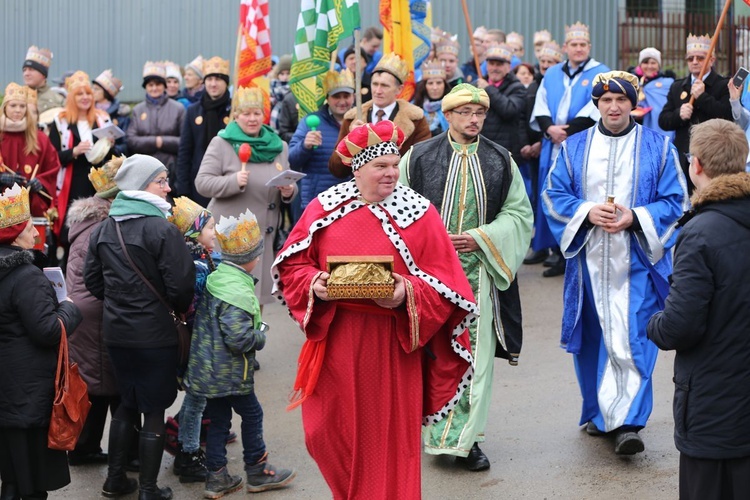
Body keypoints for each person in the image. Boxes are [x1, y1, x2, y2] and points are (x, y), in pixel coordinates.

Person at [273, 120, 476, 498]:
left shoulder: (420, 212)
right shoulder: (324, 207)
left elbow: (452, 289)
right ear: (358, 168)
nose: (391, 173)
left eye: (394, 164)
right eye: (380, 166)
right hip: (336, 339)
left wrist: (406, 292)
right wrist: (315, 283)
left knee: (386, 441)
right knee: (324, 434)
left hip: (392, 348)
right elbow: (292, 266)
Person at [542, 71, 688, 455]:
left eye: (621, 100)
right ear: (597, 105)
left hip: (637, 262)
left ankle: (628, 422)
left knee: (632, 338)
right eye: (606, 101)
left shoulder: (659, 147)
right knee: (593, 340)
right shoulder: (574, 148)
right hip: (587, 266)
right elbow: (553, 196)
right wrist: (588, 212)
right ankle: (599, 411)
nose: (614, 107)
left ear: (633, 103)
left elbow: (677, 202)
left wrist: (636, 217)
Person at [399, 84, 532, 471]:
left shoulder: (499, 159)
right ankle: (433, 432)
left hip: (481, 276)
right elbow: (398, 208)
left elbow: (519, 215)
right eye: (465, 113)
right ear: (448, 115)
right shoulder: (419, 157)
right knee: (435, 354)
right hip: (430, 277)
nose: (474, 120)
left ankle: (467, 440)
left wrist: (481, 238)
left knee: (475, 359)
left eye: (480, 113)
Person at [647, 119, 750, 499]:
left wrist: (653, 323)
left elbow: (680, 326)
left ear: (696, 165)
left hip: (714, 405)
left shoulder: (700, 233)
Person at [85, 154, 195, 499]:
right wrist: (166, 309)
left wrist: (121, 304)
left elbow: (93, 282)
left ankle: (115, 480)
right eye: (161, 180)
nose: (168, 187)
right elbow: (181, 287)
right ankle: (148, 489)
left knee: (127, 404)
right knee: (153, 410)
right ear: (141, 186)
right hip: (155, 336)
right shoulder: (162, 228)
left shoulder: (105, 228)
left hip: (117, 333)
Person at [186, 209, 297, 497]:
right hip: (229, 372)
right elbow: (238, 338)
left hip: (210, 368)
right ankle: (257, 470)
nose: (259, 259)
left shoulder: (221, 276)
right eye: (257, 255)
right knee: (252, 414)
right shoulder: (235, 290)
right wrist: (259, 336)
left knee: (220, 420)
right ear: (246, 259)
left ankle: (216, 476)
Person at [0, 183, 82, 500]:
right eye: (30, 227)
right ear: (17, 233)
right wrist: (69, 308)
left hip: (8, 387)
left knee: (11, 470)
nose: (36, 234)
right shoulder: (26, 276)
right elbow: (47, 330)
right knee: (33, 478)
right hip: (29, 389)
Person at [195, 86, 297, 307]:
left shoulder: (279, 146)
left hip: (263, 241)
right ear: (236, 115)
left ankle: (253, 342)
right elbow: (202, 183)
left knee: (254, 306)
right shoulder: (222, 143)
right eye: (246, 113)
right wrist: (233, 181)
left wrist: (289, 192)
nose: (252, 119)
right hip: (231, 241)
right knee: (229, 305)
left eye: (257, 113)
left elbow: (285, 181)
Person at [530, 22, 610, 277]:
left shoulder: (601, 73)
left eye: (582, 44)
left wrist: (567, 131)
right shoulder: (552, 73)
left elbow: (597, 108)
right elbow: (540, 104)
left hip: (581, 144)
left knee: (575, 194)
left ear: (589, 47)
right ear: (565, 47)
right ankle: (550, 248)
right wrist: (549, 128)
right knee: (550, 192)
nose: (578, 48)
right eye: (573, 44)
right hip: (551, 144)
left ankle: (571, 250)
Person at [65, 155, 125, 467]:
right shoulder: (105, 225)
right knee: (114, 387)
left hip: (82, 308)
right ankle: (125, 455)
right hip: (98, 307)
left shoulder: (87, 220)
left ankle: (84, 447)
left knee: (96, 384)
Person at [166, 196, 217, 484]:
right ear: (195, 233)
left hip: (201, 339)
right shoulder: (196, 265)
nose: (215, 232)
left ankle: (178, 433)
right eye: (210, 227)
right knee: (197, 400)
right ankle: (188, 454)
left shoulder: (199, 257)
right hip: (198, 341)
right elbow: (197, 307)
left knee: (199, 398)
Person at [48, 71, 117, 260]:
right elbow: (51, 157)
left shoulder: (102, 118)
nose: (85, 97)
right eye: (80, 94)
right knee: (73, 232)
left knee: (99, 231)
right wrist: (73, 152)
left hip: (98, 184)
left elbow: (113, 158)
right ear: (71, 97)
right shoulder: (61, 122)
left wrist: (110, 145)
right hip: (73, 184)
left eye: (88, 93)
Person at [329, 52, 431, 178]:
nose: (377, 91)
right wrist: (351, 140)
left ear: (399, 89)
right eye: (375, 84)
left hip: (400, 192)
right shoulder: (353, 118)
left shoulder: (416, 120)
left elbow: (424, 164)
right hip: (363, 193)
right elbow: (336, 170)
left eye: (384, 85)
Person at [658, 34, 733, 194]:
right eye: (690, 58)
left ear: (711, 60)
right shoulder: (678, 86)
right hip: (683, 155)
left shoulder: (723, 85)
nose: (694, 62)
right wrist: (679, 115)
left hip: (712, 154)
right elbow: (663, 121)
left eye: (700, 58)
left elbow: (728, 115)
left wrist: (702, 98)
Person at [520, 41, 564, 266]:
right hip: (537, 147)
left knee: (555, 196)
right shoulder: (535, 84)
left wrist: (539, 142)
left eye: (551, 62)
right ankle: (541, 244)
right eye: (543, 61)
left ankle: (557, 249)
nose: (545, 65)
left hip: (547, 144)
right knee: (539, 197)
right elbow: (529, 116)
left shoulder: (557, 84)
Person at [288, 70, 355, 211]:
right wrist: (304, 146)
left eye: (346, 96)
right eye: (336, 96)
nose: (342, 101)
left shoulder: (360, 121)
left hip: (350, 200)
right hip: (317, 201)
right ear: (327, 98)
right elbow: (291, 160)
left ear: (353, 97)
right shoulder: (309, 122)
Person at [175, 56, 232, 205]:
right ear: (204, 81)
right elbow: (185, 152)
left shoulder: (234, 111)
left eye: (218, 79)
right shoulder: (193, 111)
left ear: (226, 82)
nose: (213, 84)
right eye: (209, 79)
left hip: (229, 182)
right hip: (199, 184)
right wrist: (183, 188)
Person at [0, 82, 59, 217]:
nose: (18, 110)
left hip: (31, 206)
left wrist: (41, 182)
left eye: (22, 106)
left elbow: (52, 167)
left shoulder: (40, 138)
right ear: (5, 108)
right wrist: (1, 179)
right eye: (13, 105)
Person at [127, 61, 186, 190]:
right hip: (144, 171)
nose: (154, 88)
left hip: (172, 169)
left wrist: (163, 141)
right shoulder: (138, 110)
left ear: (164, 86)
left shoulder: (178, 108)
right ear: (146, 87)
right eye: (150, 85)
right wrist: (155, 141)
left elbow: (185, 141)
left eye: (158, 84)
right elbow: (131, 140)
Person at [475, 43, 527, 161]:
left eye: (499, 64)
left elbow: (509, 111)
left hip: (505, 151)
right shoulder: (476, 85)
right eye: (491, 64)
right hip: (480, 148)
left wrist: (488, 89)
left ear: (508, 67)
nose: (494, 68)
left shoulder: (517, 88)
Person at [630, 48, 674, 140]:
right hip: (635, 130)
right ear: (640, 65)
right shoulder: (631, 83)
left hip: (660, 128)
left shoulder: (668, 83)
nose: (649, 66)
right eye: (645, 62)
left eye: (653, 63)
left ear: (659, 65)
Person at [92, 70, 130, 155]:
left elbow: (126, 146)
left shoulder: (121, 116)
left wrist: (112, 147)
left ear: (106, 93)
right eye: (92, 88)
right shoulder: (87, 113)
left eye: (96, 89)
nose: (92, 91)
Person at [22, 45, 64, 115]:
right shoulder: (16, 97)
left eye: (31, 69)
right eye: (24, 70)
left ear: (43, 74)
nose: (26, 73)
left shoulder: (57, 99)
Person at [411, 60, 449, 136]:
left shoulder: (453, 107)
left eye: (439, 83)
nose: (435, 87)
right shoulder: (413, 108)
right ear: (424, 86)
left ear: (445, 85)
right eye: (430, 83)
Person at [269, 55, 292, 132]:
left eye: (288, 73)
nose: (285, 77)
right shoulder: (272, 90)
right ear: (277, 75)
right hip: (274, 128)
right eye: (282, 74)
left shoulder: (294, 91)